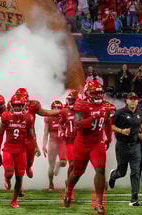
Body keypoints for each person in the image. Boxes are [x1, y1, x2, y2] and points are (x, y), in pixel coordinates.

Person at [64, 80, 115, 215]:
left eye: (99, 93)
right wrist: (93, 116)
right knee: (77, 172)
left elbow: (108, 123)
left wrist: (108, 138)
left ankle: (98, 202)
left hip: (97, 143)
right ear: (88, 93)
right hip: (82, 143)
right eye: (94, 93)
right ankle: (68, 190)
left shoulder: (106, 106)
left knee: (100, 170)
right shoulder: (81, 104)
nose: (98, 95)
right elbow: (78, 125)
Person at [0, 95, 36, 208]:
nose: (17, 108)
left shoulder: (28, 118)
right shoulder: (6, 116)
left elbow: (32, 137)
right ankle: (7, 179)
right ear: (11, 106)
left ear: (24, 106)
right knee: (9, 172)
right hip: (9, 148)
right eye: (15, 105)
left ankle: (14, 200)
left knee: (19, 177)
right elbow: (0, 135)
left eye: (20, 106)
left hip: (21, 150)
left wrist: (31, 154)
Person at [109, 92, 142, 207]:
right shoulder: (120, 113)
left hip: (135, 146)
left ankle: (134, 198)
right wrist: (121, 131)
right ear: (127, 100)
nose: (134, 101)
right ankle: (114, 175)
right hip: (122, 146)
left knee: (136, 171)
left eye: (135, 99)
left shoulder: (140, 113)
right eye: (131, 99)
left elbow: (140, 124)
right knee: (122, 172)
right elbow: (109, 125)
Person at [14, 88, 61, 180]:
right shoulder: (11, 106)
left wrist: (60, 111)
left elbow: (45, 112)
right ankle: (18, 184)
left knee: (29, 161)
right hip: (16, 136)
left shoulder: (33, 105)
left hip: (30, 134)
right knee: (18, 161)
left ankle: (28, 167)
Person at [42, 100, 67, 191]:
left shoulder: (65, 116)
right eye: (54, 108)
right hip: (52, 142)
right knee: (51, 166)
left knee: (64, 162)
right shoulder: (49, 118)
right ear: (51, 109)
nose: (56, 110)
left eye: (58, 108)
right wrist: (44, 146)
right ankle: (50, 183)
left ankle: (58, 164)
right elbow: (45, 133)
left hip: (62, 141)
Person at [59, 90, 79, 199]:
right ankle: (70, 188)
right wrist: (62, 131)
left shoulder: (81, 111)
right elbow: (60, 123)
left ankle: (69, 182)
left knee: (77, 166)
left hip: (80, 140)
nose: (70, 101)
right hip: (70, 140)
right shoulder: (65, 111)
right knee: (71, 164)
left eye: (73, 100)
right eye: (70, 100)